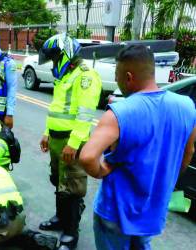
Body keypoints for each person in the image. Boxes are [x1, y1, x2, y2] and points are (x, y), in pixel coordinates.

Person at [79, 44, 196, 250]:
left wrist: (102, 170)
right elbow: (188, 153)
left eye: (117, 75)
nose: (116, 80)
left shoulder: (119, 113)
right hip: (152, 210)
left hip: (115, 212)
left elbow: (88, 157)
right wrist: (166, 180)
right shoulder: (187, 106)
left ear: (129, 77)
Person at [38, 33, 102, 250]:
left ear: (65, 53)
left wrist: (73, 144)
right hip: (56, 139)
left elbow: (85, 115)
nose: (54, 62)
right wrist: (47, 132)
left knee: (72, 187)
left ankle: (70, 232)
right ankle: (60, 217)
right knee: (57, 180)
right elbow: (56, 108)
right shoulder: (65, 75)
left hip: (71, 142)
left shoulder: (85, 76)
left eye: (55, 57)